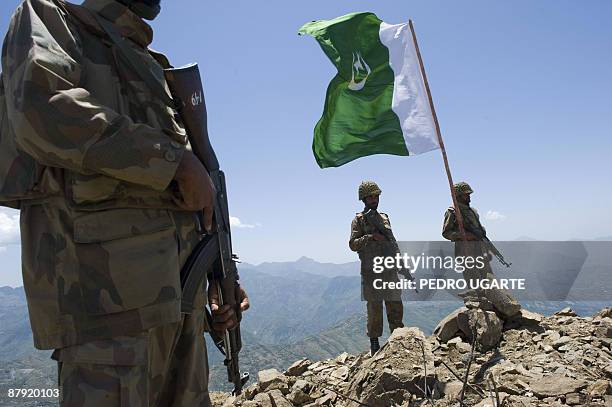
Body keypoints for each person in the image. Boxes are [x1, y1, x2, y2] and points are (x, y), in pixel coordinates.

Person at [1, 0, 248, 405]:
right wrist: (174, 161)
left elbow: (191, 200)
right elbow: (41, 109)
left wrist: (220, 278)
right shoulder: (51, 17)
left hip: (180, 311)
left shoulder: (150, 63)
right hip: (109, 318)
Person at [442, 182, 520, 318]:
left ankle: (497, 303)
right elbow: (446, 232)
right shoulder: (452, 212)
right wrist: (464, 235)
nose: (469, 197)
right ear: (458, 196)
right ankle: (479, 305)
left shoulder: (473, 211)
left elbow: (479, 230)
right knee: (472, 276)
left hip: (479, 247)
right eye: (466, 195)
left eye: (469, 194)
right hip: (464, 249)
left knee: (487, 275)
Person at [349, 181, 404, 355]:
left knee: (395, 304)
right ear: (364, 199)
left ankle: (399, 338)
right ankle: (374, 342)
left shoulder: (385, 217)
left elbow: (392, 241)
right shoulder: (358, 220)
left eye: (376, 196)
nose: (374, 199)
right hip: (371, 272)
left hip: (389, 269)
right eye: (371, 197)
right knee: (375, 308)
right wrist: (371, 237)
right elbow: (352, 244)